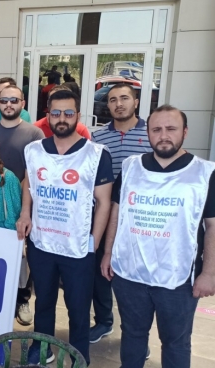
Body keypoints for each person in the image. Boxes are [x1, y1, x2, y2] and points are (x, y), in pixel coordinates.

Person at [100, 106, 212, 368]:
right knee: (132, 334)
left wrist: (209, 273)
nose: (163, 136)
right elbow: (116, 211)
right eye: (156, 129)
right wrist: (108, 252)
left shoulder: (204, 173)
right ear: (147, 133)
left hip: (177, 278)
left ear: (185, 132)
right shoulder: (131, 167)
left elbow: (213, 226)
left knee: (176, 342)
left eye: (171, 129)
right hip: (130, 274)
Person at [16, 90, 114, 365]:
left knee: (78, 307)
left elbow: (104, 202)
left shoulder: (96, 154)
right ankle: (42, 348)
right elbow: (29, 184)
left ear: (77, 116)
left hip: (78, 246)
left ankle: (79, 355)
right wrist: (25, 213)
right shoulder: (34, 150)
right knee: (44, 302)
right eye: (56, 113)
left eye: (68, 113)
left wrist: (93, 243)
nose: (62, 118)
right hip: (42, 241)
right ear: (48, 115)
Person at [89, 83, 152, 346]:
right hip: (104, 214)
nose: (119, 104)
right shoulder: (98, 138)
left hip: (140, 219)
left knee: (136, 279)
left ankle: (136, 336)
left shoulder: (151, 133)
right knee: (100, 272)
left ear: (135, 102)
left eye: (124, 98)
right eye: (113, 99)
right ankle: (104, 321)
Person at [0, 84, 44, 326]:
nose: (8, 104)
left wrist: (23, 205)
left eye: (14, 100)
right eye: (4, 100)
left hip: (23, 204)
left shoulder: (34, 134)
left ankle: (22, 300)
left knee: (21, 256)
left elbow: (36, 172)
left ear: (22, 103)